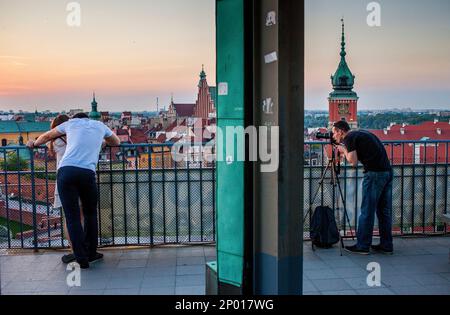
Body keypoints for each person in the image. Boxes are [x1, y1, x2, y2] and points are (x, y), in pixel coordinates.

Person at [27, 112, 120, 268]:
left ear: (75, 119)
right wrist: (102, 142)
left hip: (66, 172)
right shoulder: (99, 125)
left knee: (72, 217)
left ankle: (80, 259)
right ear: (87, 118)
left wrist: (34, 143)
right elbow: (115, 141)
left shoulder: (70, 124)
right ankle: (91, 253)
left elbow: (46, 136)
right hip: (87, 173)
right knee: (90, 214)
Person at [332, 120, 393, 255]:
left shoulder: (349, 138)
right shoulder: (361, 134)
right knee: (384, 211)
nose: (333, 136)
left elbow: (353, 161)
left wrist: (343, 149)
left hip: (374, 174)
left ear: (340, 131)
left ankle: (363, 245)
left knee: (367, 210)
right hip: (387, 172)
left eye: (334, 133)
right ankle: (386, 245)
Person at [48, 114, 84, 263]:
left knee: (69, 218)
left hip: (63, 178)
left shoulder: (54, 142)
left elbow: (40, 141)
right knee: (82, 216)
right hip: (80, 177)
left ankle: (73, 249)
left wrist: (32, 142)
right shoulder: (75, 139)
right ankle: (83, 247)